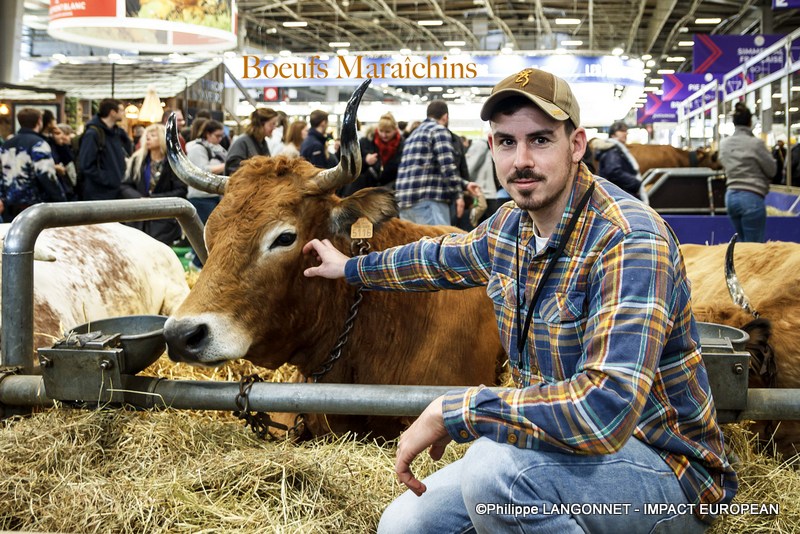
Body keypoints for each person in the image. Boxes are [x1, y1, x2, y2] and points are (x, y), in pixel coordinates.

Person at [302, 68, 737, 533]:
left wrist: (459, 410)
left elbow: (606, 409)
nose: (522, 160)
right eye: (507, 142)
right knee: (403, 526)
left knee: (496, 469)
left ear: (576, 145)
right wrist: (349, 268)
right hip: (556, 456)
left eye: (541, 140)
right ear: (490, 149)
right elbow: (441, 258)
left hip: (664, 473)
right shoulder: (510, 225)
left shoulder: (629, 239)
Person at [394, 100, 481, 225]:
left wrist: (464, 185)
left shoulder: (413, 135)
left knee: (413, 244)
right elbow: (447, 167)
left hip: (404, 203)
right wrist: (460, 193)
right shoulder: (439, 130)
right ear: (445, 117)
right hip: (428, 202)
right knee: (438, 243)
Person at [119, 123, 188, 245]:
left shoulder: (173, 163)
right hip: (138, 219)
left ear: (162, 138)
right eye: (147, 135)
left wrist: (152, 200)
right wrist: (139, 198)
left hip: (163, 222)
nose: (148, 138)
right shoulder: (137, 160)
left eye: (153, 135)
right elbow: (125, 185)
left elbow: (181, 190)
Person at [719, 103, 776, 243]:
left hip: (731, 196)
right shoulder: (756, 144)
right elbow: (772, 170)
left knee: (742, 245)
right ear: (750, 122)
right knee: (754, 249)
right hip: (751, 197)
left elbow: (723, 163)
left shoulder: (724, 144)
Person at [0, 107, 66, 221]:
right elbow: (46, 175)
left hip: (9, 206)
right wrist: (61, 200)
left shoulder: (6, 144)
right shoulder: (38, 144)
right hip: (34, 207)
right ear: (39, 121)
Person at [186, 119, 227, 269]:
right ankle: (197, 264)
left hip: (213, 196)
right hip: (200, 197)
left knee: (204, 230)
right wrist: (225, 165)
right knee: (205, 234)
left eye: (221, 136)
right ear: (208, 134)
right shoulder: (197, 149)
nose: (220, 139)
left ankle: (196, 259)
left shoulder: (218, 148)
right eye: (217, 136)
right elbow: (202, 171)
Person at [77, 98, 132, 200]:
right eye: (121, 110)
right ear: (112, 112)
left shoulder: (117, 133)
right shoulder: (93, 134)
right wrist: (109, 179)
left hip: (116, 191)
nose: (123, 113)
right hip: (98, 193)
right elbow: (86, 165)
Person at [340, 113, 404, 196]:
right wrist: (365, 161)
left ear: (395, 130)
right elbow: (351, 167)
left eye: (388, 132)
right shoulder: (365, 142)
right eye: (381, 131)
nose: (384, 135)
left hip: (390, 193)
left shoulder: (402, 146)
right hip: (364, 192)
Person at [593, 120, 646, 201]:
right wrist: (635, 183)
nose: (625, 134)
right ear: (613, 134)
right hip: (619, 195)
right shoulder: (612, 151)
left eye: (626, 131)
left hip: (617, 193)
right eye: (621, 131)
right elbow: (614, 171)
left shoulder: (616, 150)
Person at [225, 107, 277, 176]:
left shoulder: (262, 142)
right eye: (272, 124)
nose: (274, 127)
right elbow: (233, 169)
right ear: (261, 124)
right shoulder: (242, 142)